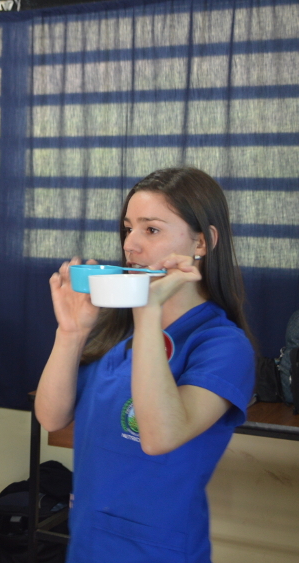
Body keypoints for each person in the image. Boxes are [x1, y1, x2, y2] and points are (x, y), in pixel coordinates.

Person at [34, 167, 255, 563]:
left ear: (202, 242)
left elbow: (157, 437)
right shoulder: (117, 329)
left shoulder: (223, 346)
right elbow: (51, 417)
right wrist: (69, 333)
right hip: (87, 542)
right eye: (128, 228)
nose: (131, 246)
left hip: (160, 551)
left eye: (151, 230)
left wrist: (148, 310)